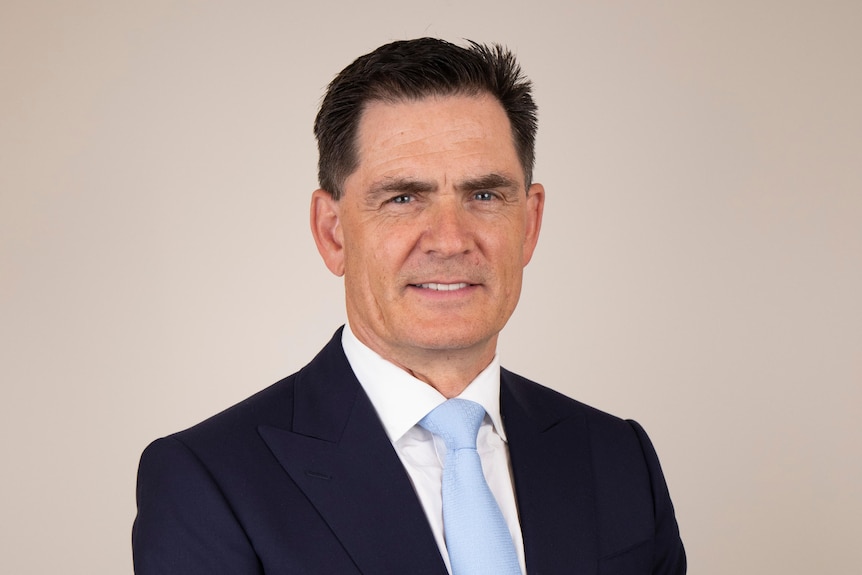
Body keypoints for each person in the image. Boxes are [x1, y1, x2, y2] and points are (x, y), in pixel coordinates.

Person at [132, 38, 686, 574]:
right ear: (333, 234)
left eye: (485, 195)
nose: (449, 239)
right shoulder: (209, 481)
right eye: (402, 198)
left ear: (530, 224)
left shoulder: (618, 458)